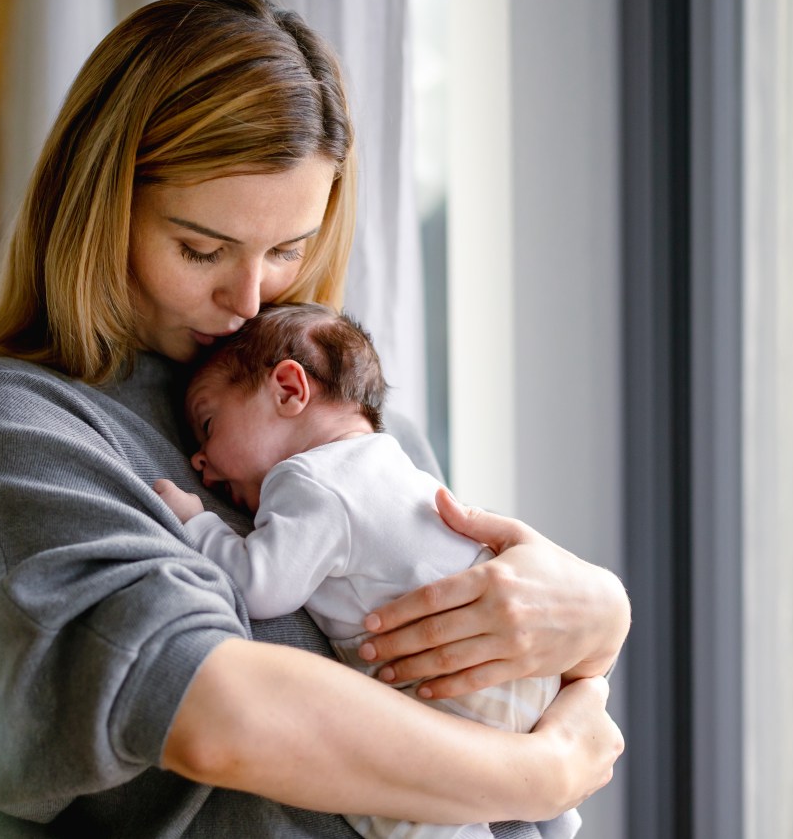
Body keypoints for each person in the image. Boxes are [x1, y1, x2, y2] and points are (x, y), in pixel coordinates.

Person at [0, 0, 628, 838]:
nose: (248, 299)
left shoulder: (362, 429)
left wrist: (595, 624)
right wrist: (539, 774)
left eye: (287, 250)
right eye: (201, 249)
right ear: (99, 204)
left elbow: (491, 686)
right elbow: (211, 707)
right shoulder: (17, 421)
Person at [152, 302, 583, 839]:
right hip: (513, 670)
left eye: (209, 424)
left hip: (449, 685)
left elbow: (257, 586)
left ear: (289, 389)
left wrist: (199, 523)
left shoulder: (309, 480)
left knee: (392, 801)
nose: (199, 461)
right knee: (526, 794)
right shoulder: (392, 460)